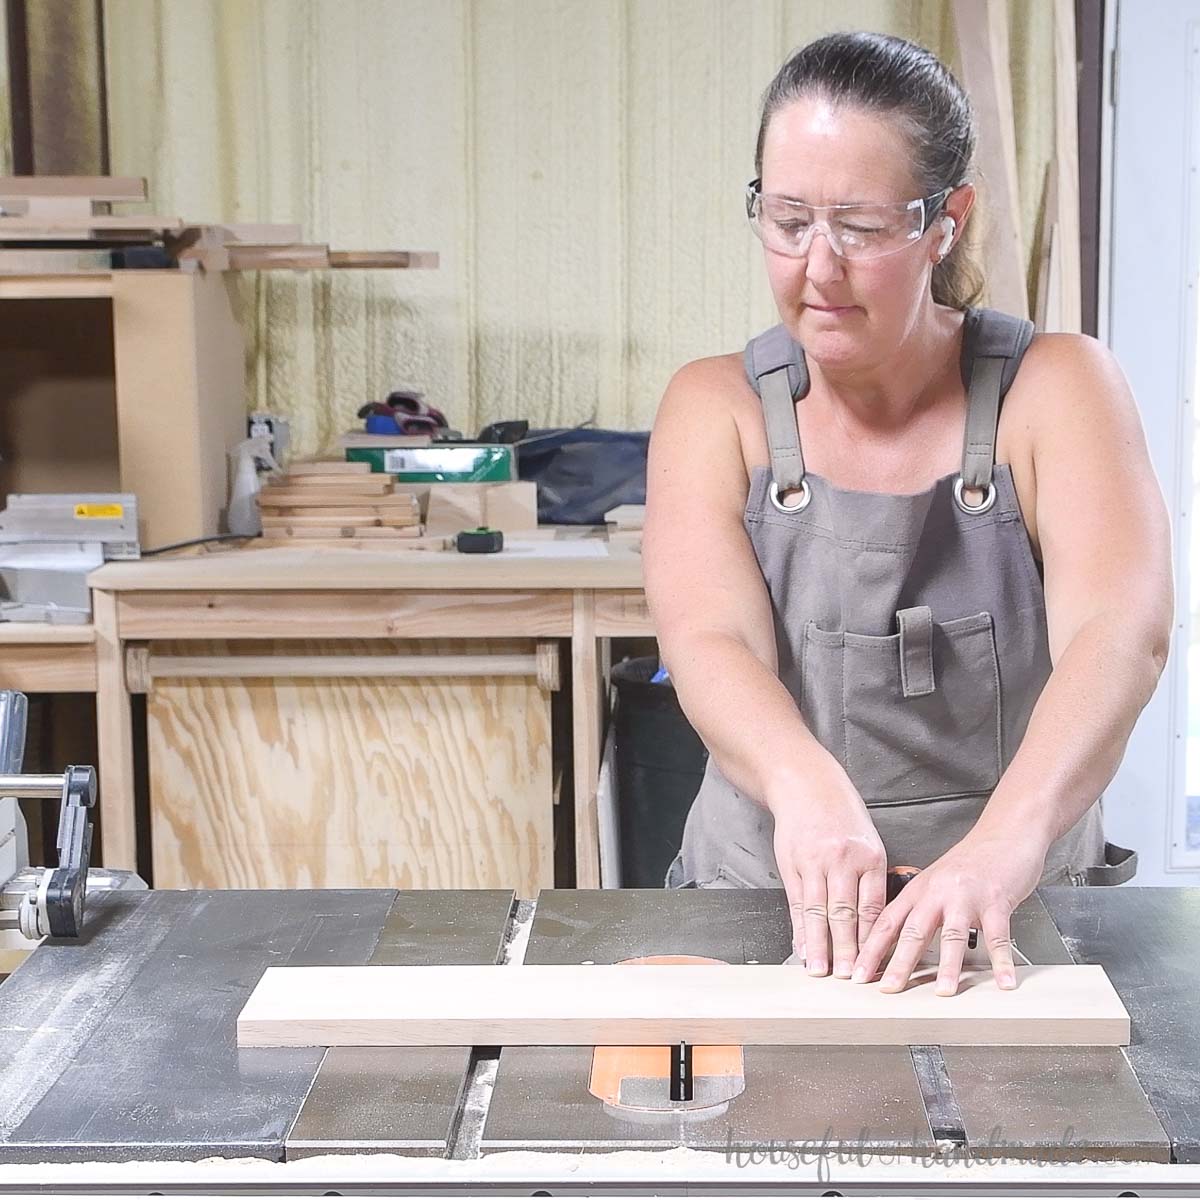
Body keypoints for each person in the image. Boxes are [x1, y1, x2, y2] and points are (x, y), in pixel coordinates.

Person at [642, 31, 1173, 998]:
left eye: (861, 226)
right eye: (789, 219)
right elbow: (710, 638)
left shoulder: (1058, 390)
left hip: (1014, 921)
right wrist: (806, 788)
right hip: (768, 903)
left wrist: (1005, 843)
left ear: (947, 220)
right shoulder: (712, 408)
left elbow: (1120, 634)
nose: (819, 267)